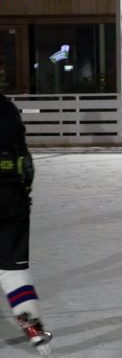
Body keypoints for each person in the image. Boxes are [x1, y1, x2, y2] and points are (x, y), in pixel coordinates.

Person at [0, 93, 52, 352]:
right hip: (12, 197)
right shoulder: (7, 108)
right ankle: (33, 326)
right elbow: (27, 164)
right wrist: (22, 196)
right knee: (13, 270)